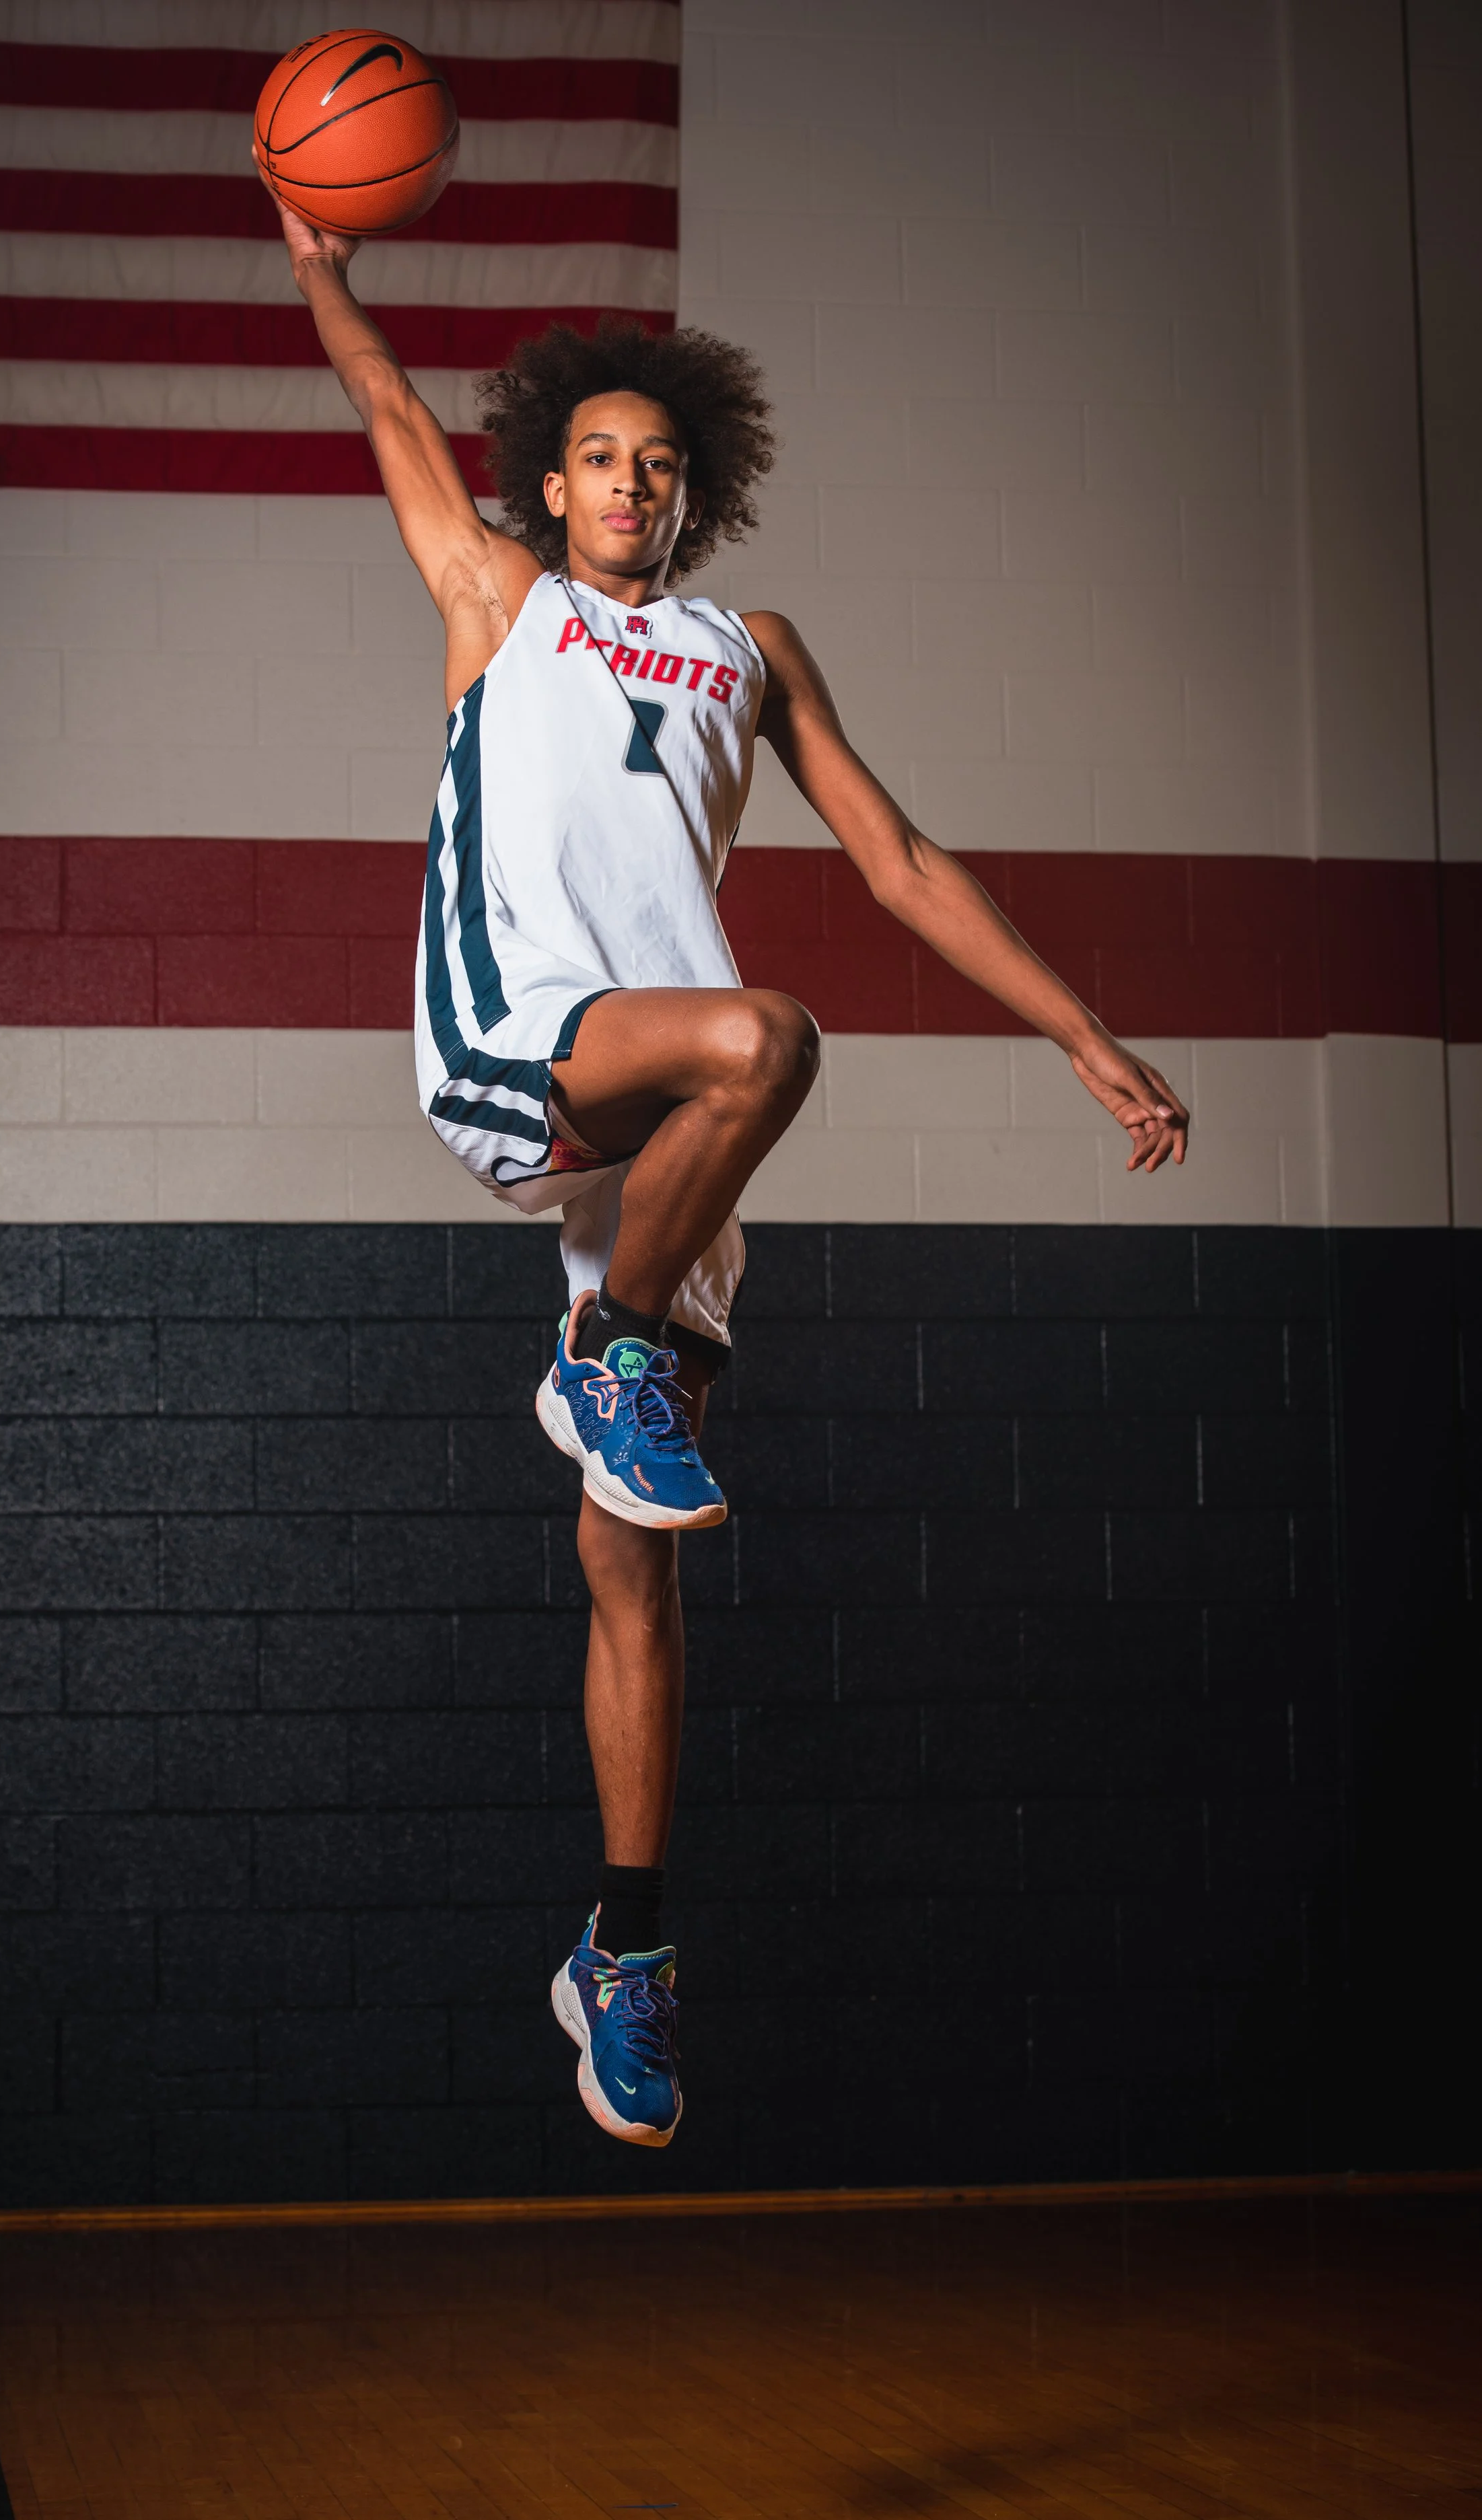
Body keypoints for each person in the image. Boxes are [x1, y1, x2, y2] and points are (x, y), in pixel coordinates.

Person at [268, 193, 1190, 2150]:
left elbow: (906, 865)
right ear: (552, 479)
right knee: (773, 1029)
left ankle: (625, 1951)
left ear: (693, 498)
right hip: (531, 1043)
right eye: (594, 456)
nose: (622, 482)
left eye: (654, 463)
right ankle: (603, 1346)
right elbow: (379, 403)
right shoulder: (490, 596)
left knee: (637, 1570)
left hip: (679, 1145)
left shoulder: (743, 649)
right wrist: (319, 263)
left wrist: (1079, 1033)